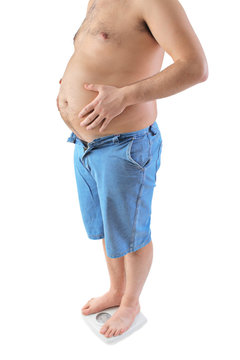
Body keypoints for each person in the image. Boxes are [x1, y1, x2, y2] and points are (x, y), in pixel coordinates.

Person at [56, 0, 208, 339]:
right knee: (110, 229)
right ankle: (115, 290)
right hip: (84, 144)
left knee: (132, 233)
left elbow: (195, 67)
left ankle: (130, 304)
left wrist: (123, 97)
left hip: (124, 146)